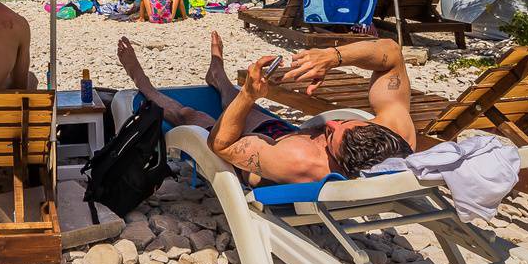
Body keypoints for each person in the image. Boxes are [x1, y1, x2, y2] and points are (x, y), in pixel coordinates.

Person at [115, 33, 415, 187]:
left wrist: (248, 95)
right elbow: (392, 54)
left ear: (343, 164)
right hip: (283, 136)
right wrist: (332, 57)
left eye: (333, 138)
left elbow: (220, 143)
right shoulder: (398, 136)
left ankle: (143, 83)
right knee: (234, 97)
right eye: (348, 125)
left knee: (192, 117)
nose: (333, 123)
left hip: (250, 157)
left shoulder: (296, 161)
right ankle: (218, 76)